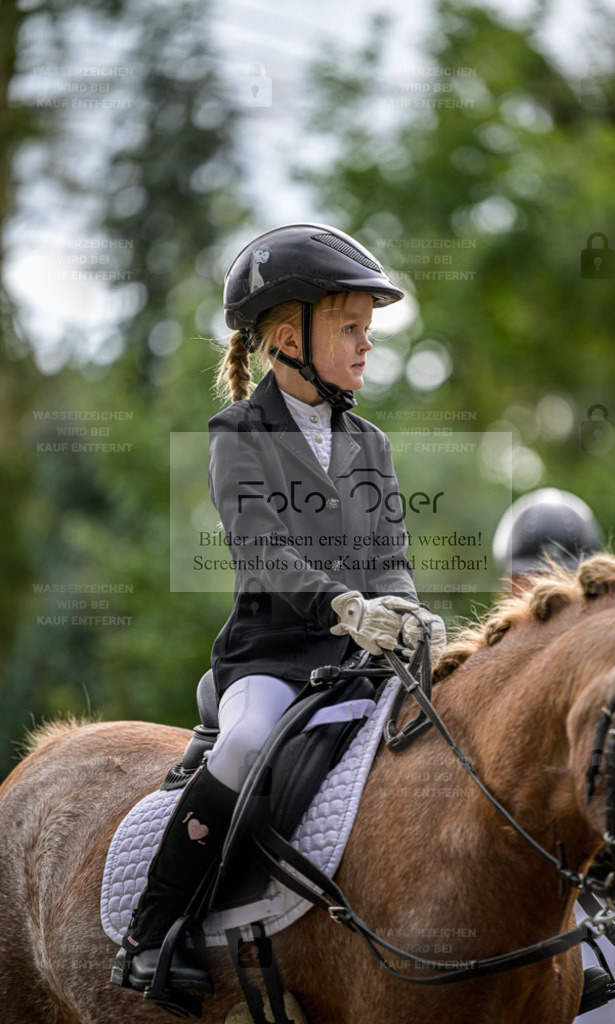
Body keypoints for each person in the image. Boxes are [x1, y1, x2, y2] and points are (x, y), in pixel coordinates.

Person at [111, 223, 446, 1003]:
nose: (367, 346)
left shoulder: (369, 442)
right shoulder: (237, 435)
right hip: (270, 658)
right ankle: (154, 929)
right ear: (289, 337)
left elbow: (389, 548)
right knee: (249, 741)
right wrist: (341, 605)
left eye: (369, 329)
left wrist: (404, 609)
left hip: (360, 656)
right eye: (351, 328)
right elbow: (261, 550)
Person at [493, 489, 615, 1023]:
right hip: (574, 922)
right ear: (512, 586)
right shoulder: (506, 684)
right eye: (534, 583)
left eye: (570, 583)